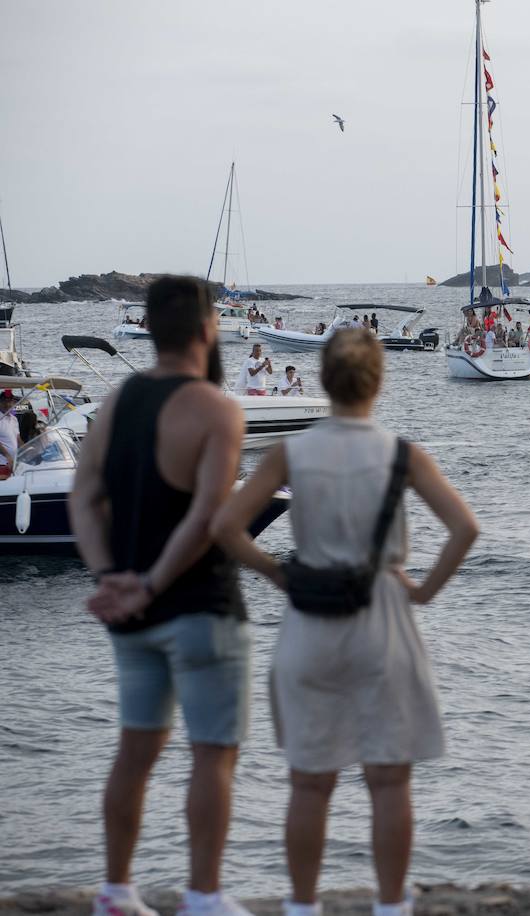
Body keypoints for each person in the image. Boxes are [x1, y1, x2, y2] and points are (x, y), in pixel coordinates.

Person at [210, 329, 480, 916]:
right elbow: (465, 529)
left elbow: (228, 527)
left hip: (311, 619)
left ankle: (302, 907)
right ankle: (390, 907)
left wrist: (278, 574)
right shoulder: (402, 455)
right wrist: (424, 592)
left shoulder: (292, 453)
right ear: (378, 382)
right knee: (388, 781)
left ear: (325, 382)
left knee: (311, 782)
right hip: (382, 616)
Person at [68, 276, 251, 916]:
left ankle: (116, 891)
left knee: (135, 750)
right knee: (212, 756)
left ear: (148, 329)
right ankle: (204, 896)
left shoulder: (118, 401)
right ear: (208, 329)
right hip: (200, 609)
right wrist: (151, 581)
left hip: (131, 616)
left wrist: (110, 577)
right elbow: (206, 518)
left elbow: (83, 498)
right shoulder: (219, 409)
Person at [0, 389, 18, 478]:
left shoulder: (14, 419)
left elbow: (18, 438)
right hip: (2, 463)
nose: (7, 404)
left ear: (13, 403)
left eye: (10, 401)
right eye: (4, 401)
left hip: (15, 463)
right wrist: (7, 455)